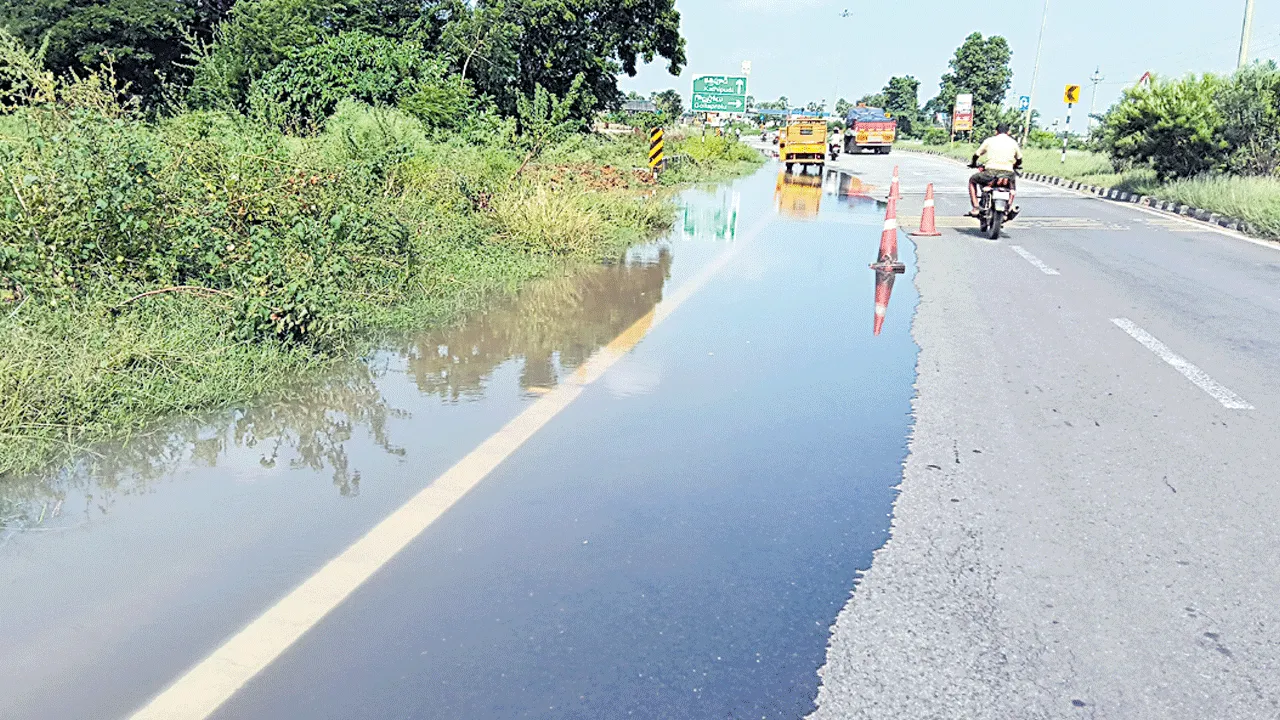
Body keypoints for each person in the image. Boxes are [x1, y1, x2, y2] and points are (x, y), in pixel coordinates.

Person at [968, 123, 1022, 216]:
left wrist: (973, 163)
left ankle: (976, 207)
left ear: (996, 132)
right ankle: (1008, 207)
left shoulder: (989, 141)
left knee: (972, 180)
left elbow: (976, 154)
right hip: (1008, 174)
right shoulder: (1013, 142)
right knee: (1012, 188)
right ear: (1008, 132)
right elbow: (1019, 159)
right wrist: (1015, 165)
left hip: (990, 173)